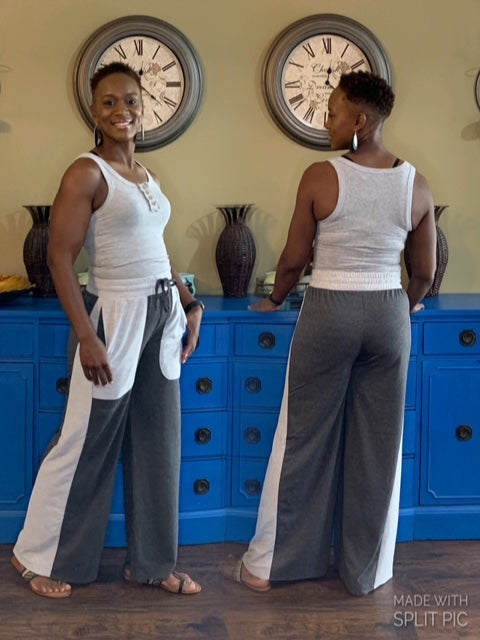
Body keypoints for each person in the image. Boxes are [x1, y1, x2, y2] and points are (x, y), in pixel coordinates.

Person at [235, 71, 436, 596]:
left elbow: (293, 259)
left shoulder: (321, 176)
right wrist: (407, 304)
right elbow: (424, 271)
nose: (326, 123)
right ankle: (366, 573)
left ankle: (271, 567)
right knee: (378, 448)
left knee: (303, 439)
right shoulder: (416, 183)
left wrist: (274, 299)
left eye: (332, 113)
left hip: (330, 308)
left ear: (359, 121)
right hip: (388, 314)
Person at [11, 62, 203, 598]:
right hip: (113, 317)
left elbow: (158, 251)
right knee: (85, 441)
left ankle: (153, 564)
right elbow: (59, 257)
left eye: (131, 100)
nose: (122, 111)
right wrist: (88, 337)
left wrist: (189, 303)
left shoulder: (148, 176)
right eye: (110, 102)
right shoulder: (86, 173)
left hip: (161, 314)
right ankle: (38, 556)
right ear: (94, 113)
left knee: (159, 443)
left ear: (144, 108)